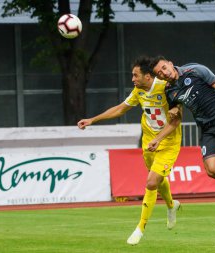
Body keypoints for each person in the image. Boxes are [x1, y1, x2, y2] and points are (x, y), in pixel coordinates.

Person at [77, 56, 182, 245]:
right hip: (149, 142)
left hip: (168, 142)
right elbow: (120, 109)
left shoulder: (166, 87)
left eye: (135, 75)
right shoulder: (138, 91)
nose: (132, 79)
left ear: (148, 77)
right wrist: (92, 120)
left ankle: (140, 228)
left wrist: (159, 139)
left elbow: (176, 120)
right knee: (156, 179)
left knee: (151, 182)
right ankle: (171, 205)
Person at [150, 56, 215, 230]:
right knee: (212, 170)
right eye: (159, 73)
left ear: (170, 63)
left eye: (164, 67)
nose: (163, 73)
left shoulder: (194, 70)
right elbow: (175, 116)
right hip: (207, 128)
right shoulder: (169, 91)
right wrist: (160, 134)